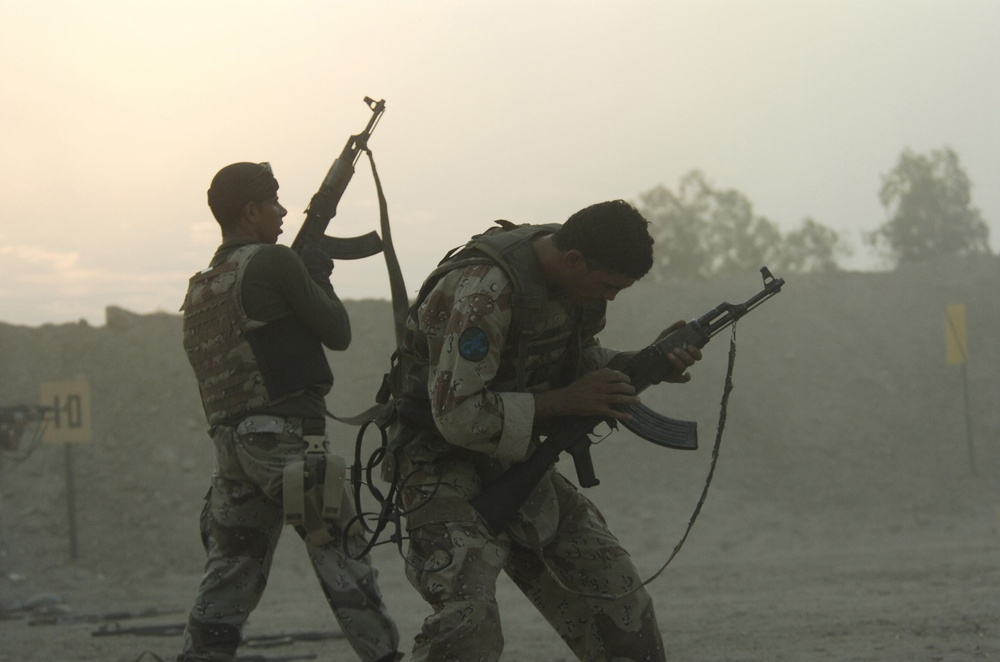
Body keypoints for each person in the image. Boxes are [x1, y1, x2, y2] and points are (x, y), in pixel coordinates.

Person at [381, 200, 703, 661]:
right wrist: (566, 402)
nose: (609, 298)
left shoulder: (578, 288)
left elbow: (574, 361)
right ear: (574, 261)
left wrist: (638, 365)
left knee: (622, 607)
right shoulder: (485, 292)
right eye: (608, 285)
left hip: (516, 460)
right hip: (437, 461)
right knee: (468, 627)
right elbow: (458, 415)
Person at [177, 162, 402, 662]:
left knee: (230, 573)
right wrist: (318, 275)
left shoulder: (202, 285)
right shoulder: (276, 263)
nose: (283, 212)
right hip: (289, 443)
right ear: (251, 211)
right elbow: (338, 333)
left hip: (234, 451)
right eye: (274, 203)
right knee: (341, 552)